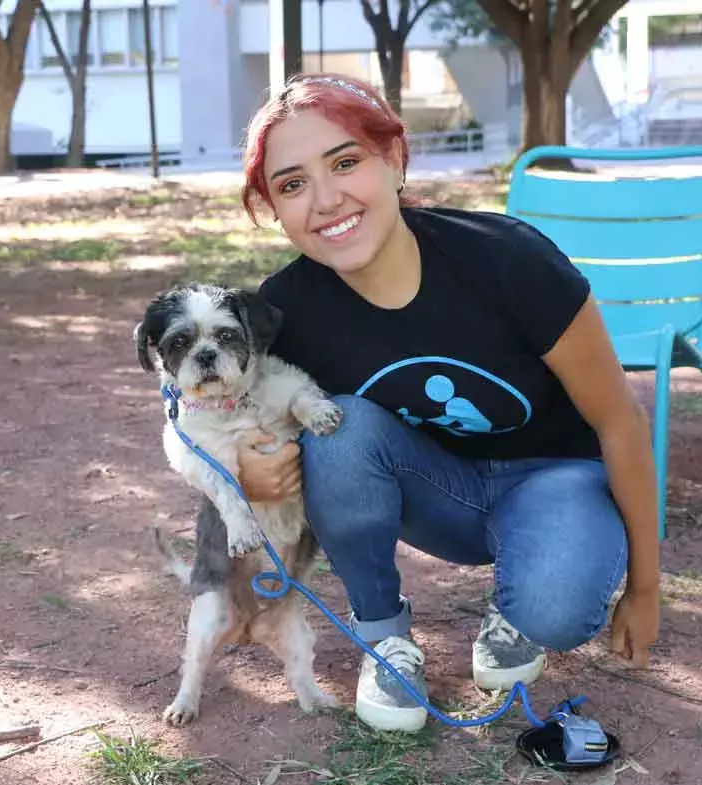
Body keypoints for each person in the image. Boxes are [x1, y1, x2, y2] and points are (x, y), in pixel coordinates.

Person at [234, 73, 661, 734]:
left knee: (558, 609)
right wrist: (248, 466)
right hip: (435, 493)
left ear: (396, 159)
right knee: (335, 429)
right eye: (292, 184)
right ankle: (384, 635)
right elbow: (235, 417)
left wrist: (645, 588)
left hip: (553, 479)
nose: (325, 199)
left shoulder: (508, 260)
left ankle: (519, 611)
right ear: (275, 207)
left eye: (346, 162)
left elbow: (619, 419)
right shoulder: (289, 308)